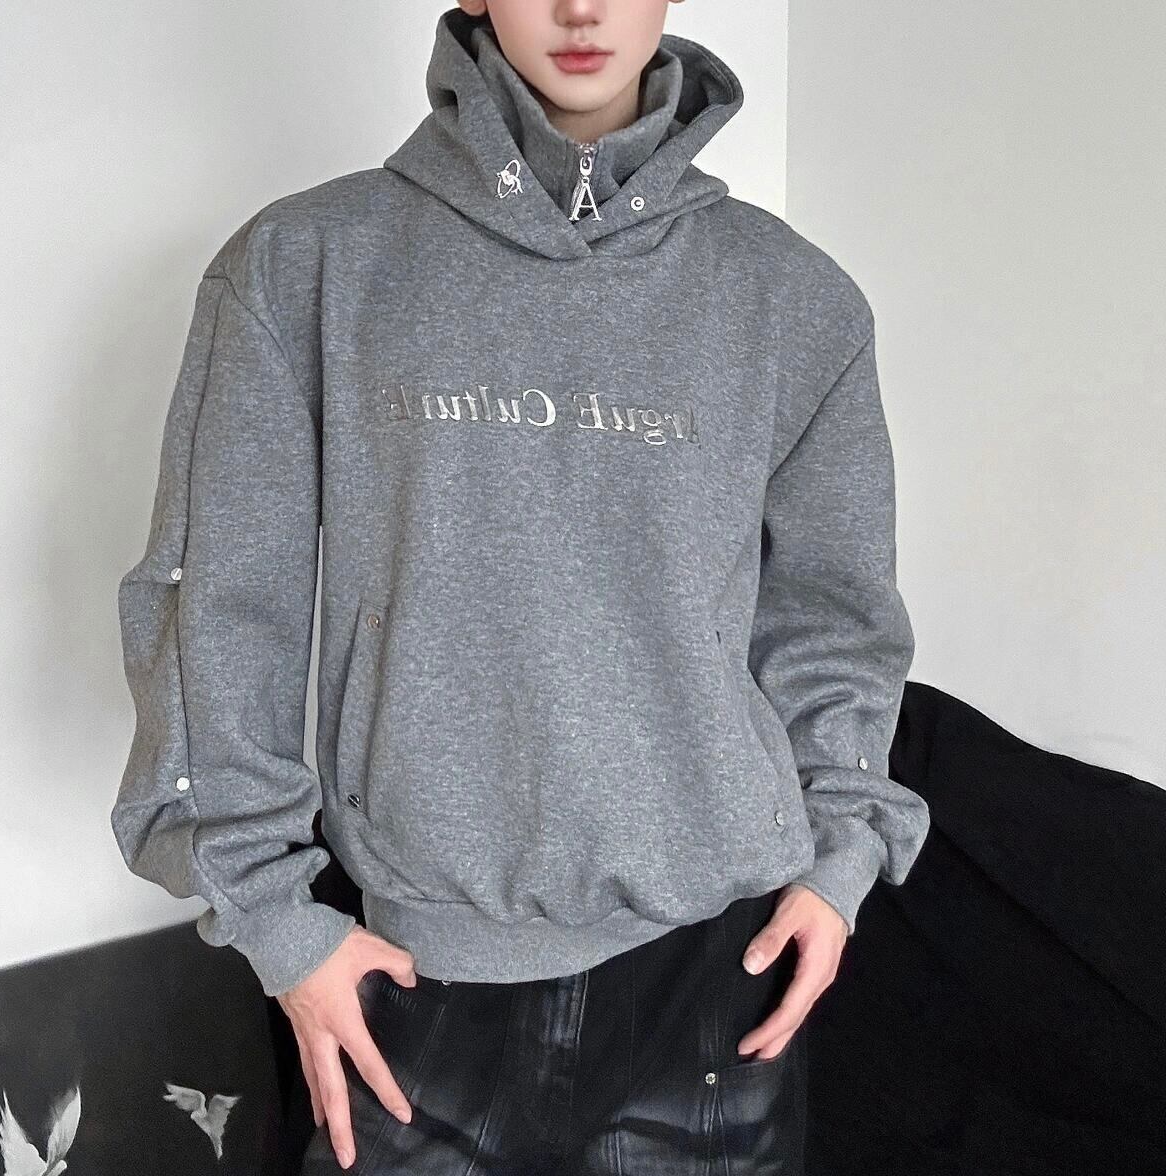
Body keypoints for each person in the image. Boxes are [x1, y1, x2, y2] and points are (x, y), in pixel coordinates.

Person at [111, 2, 931, 1172]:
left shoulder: (793, 299)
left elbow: (836, 622)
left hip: (720, 972)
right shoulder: (307, 264)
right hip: (411, 975)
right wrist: (278, 924)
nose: (581, 8)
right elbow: (219, 608)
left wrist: (842, 861)